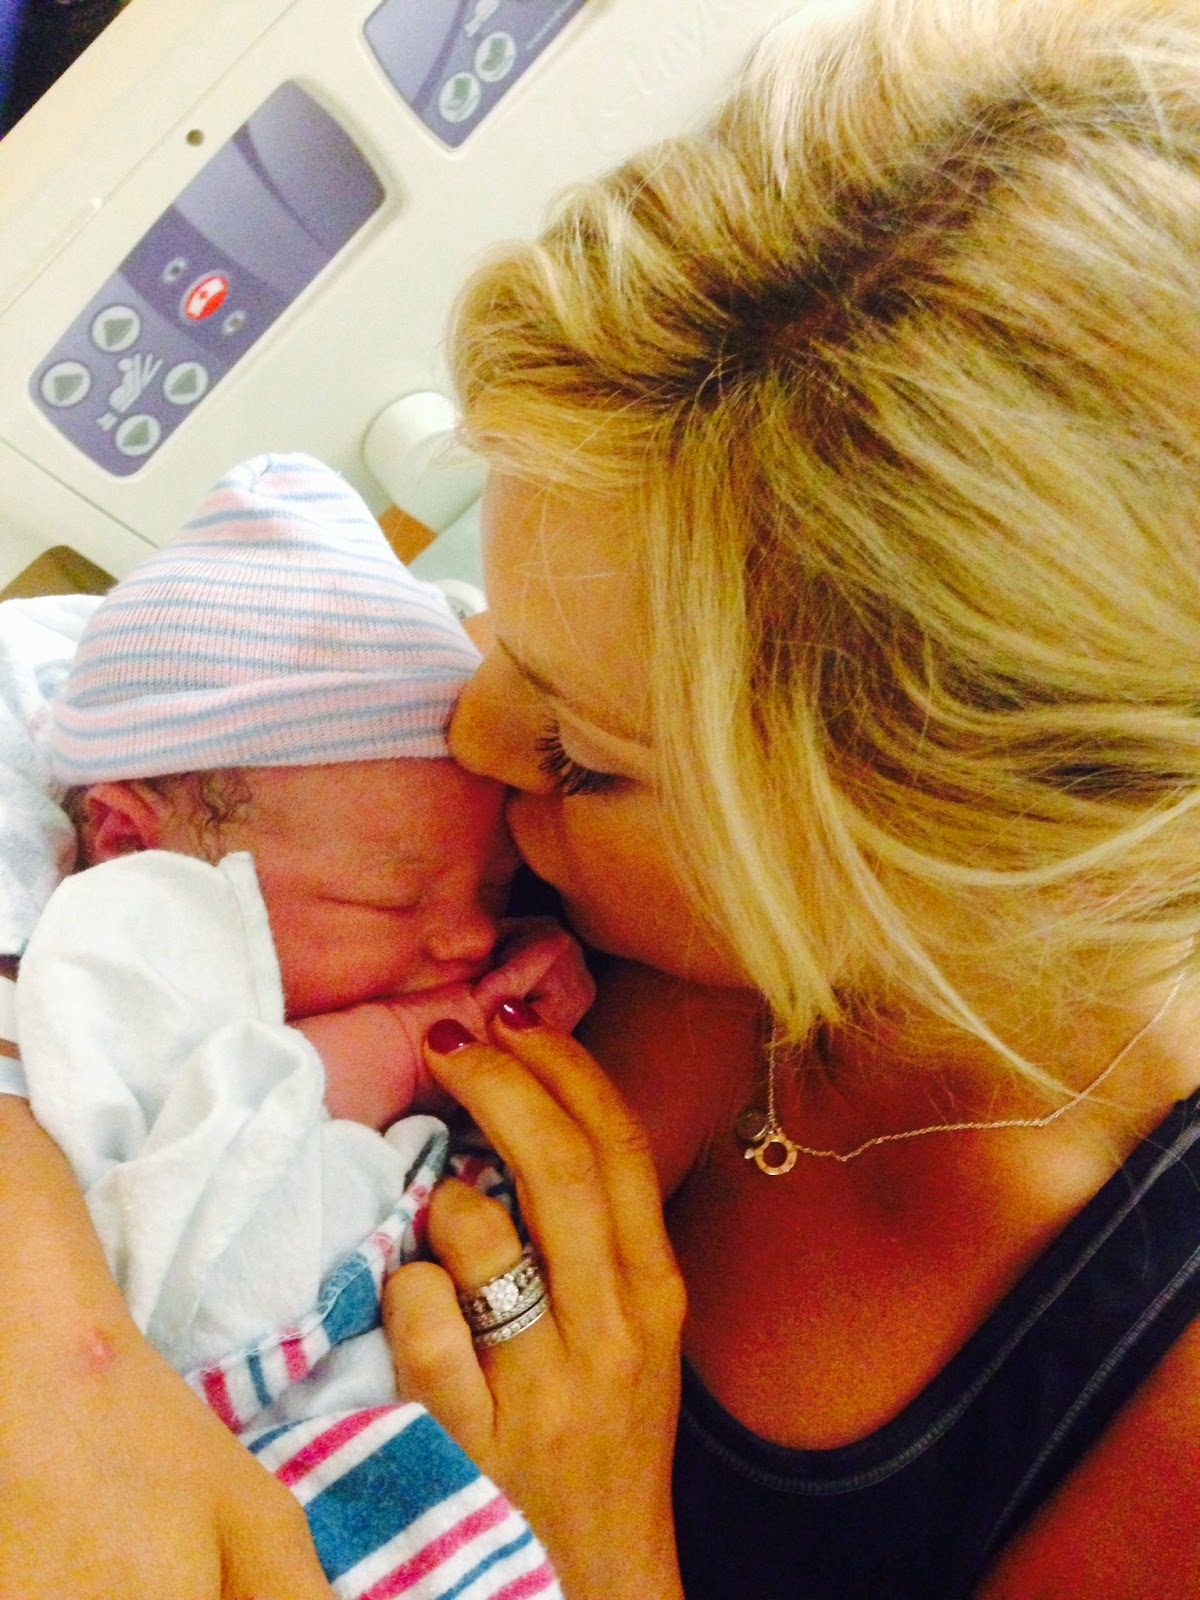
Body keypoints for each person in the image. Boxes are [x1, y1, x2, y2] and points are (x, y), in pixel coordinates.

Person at [2, 0, 1200, 1595]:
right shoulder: (539, 755)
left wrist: (605, 1557)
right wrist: (51, 1327)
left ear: (932, 875)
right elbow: (64, 732)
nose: (471, 729)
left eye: (580, 753)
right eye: (494, 626)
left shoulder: (1141, 1402)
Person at [7, 451, 590, 1598]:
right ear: (133, 844)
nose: (467, 938)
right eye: (392, 901)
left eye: (493, 887)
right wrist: (416, 1035)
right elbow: (220, 1147)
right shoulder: (115, 944)